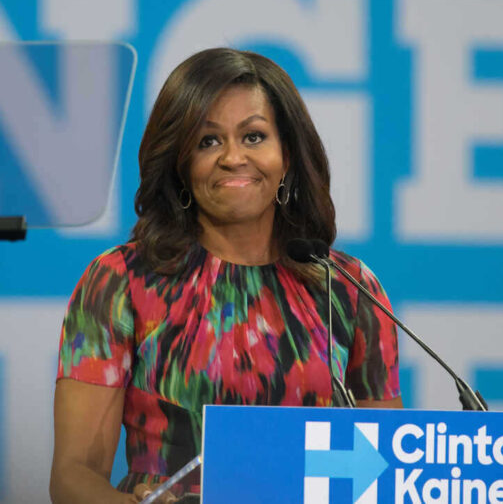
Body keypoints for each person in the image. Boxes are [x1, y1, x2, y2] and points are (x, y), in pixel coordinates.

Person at [49, 48, 402, 504]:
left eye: (254, 137)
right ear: (179, 163)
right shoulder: (121, 280)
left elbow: (384, 474)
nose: (233, 157)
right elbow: (73, 477)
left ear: (288, 155)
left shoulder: (348, 289)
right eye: (208, 142)